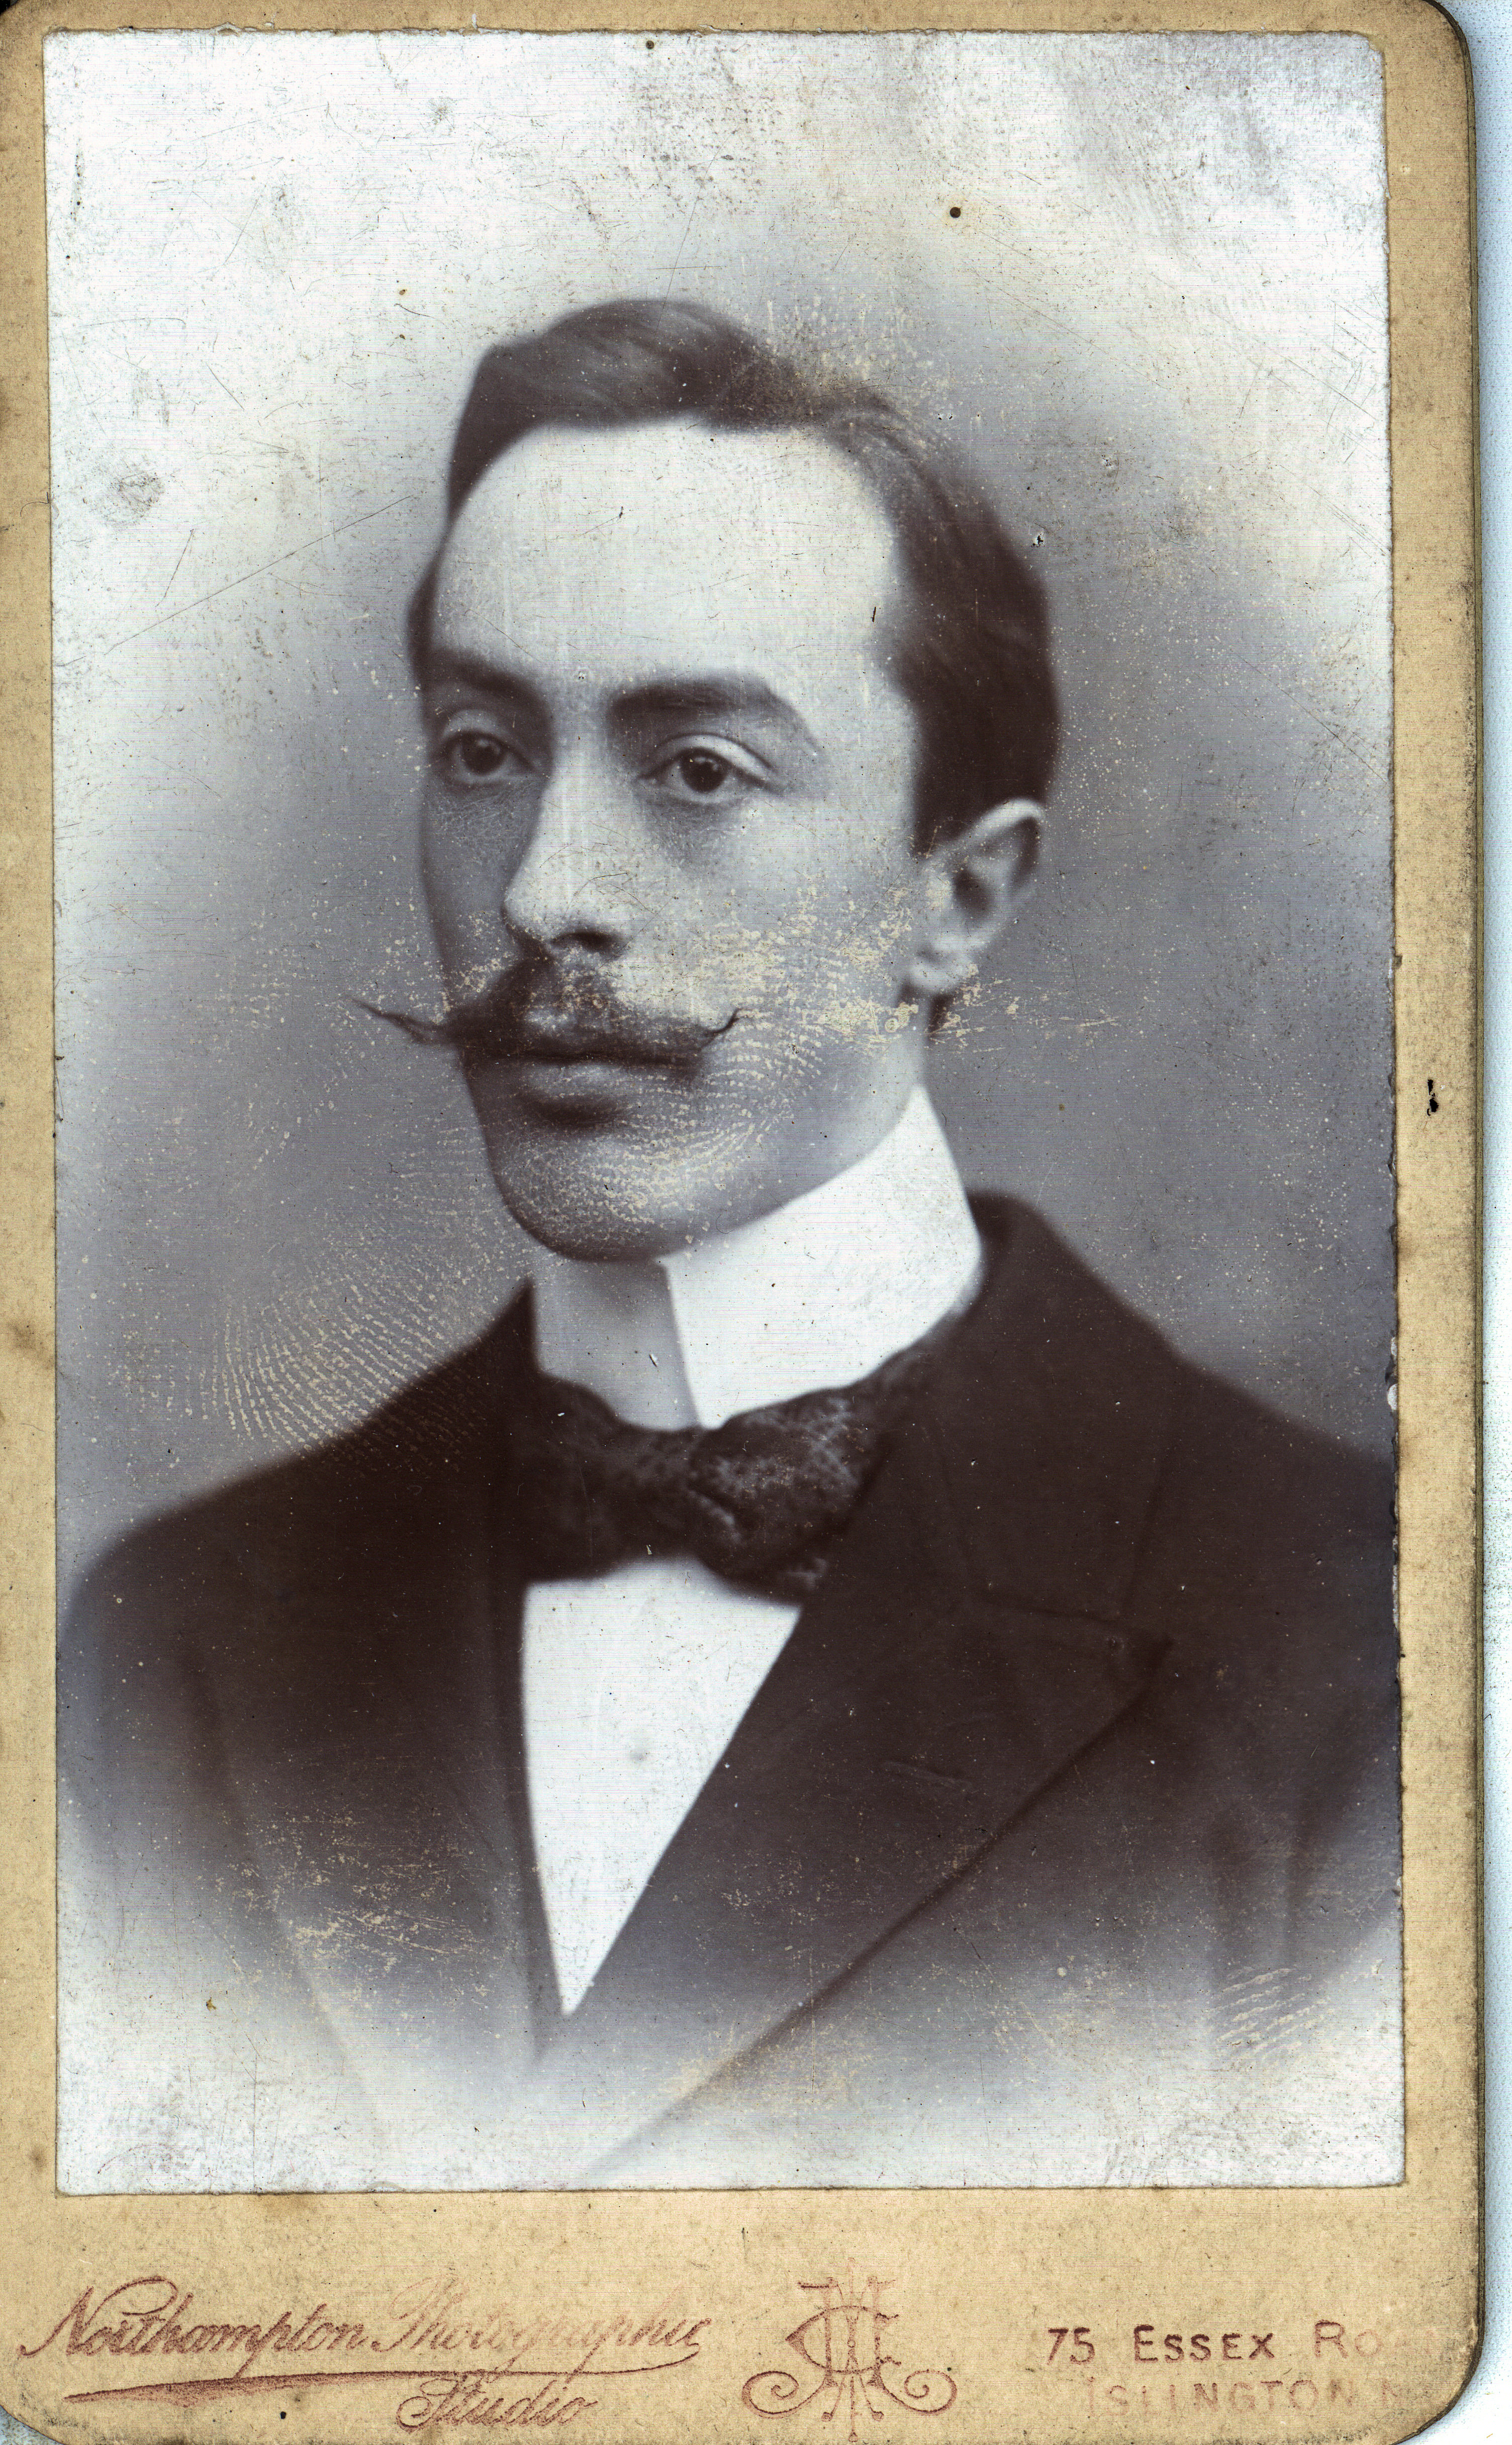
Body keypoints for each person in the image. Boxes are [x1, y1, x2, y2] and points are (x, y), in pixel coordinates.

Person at [58, 301, 1401, 2194]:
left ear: (959, 896)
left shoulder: (1369, 1651)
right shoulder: (177, 1642)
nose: (544, 892)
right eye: (481, 749)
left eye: (698, 769)